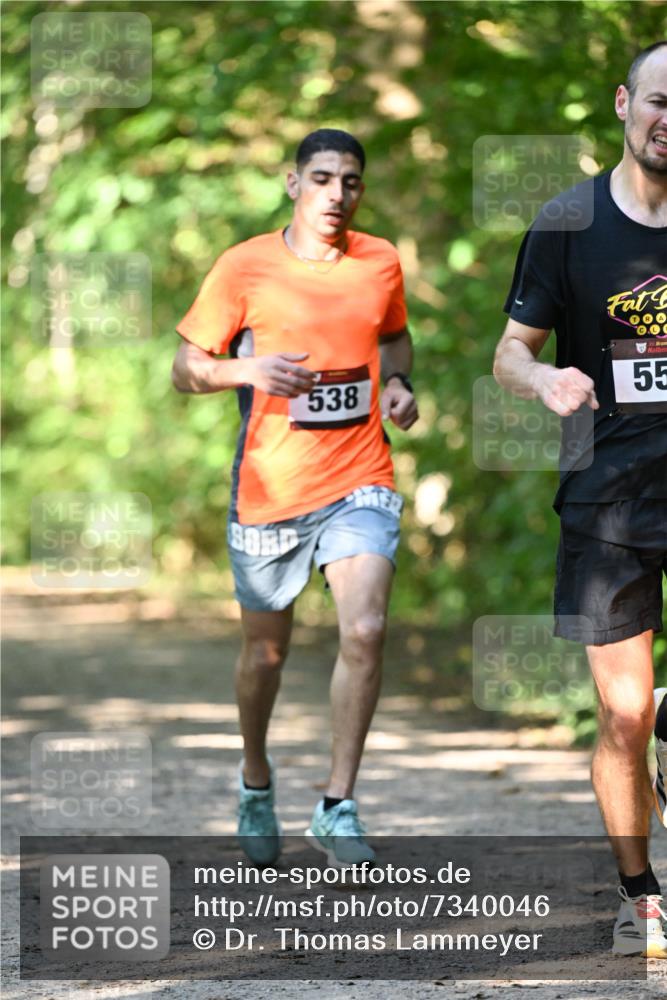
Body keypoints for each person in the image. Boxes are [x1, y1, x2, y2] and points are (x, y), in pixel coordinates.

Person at [172, 128, 418, 868]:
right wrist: (246, 375)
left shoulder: (380, 260)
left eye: (349, 181)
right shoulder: (244, 266)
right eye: (321, 179)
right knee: (266, 654)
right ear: (292, 183)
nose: (335, 194)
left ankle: (336, 808)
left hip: (360, 478)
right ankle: (255, 780)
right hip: (270, 489)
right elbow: (186, 368)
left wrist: (401, 386)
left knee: (366, 629)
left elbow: (396, 339)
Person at [493, 41, 667, 957]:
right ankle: (638, 892)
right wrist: (543, 381)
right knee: (624, 715)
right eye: (656, 100)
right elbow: (507, 353)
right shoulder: (565, 224)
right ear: (622, 104)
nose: (666, 120)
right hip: (607, 502)